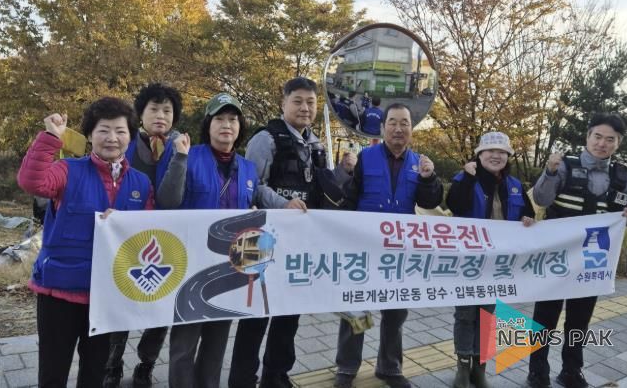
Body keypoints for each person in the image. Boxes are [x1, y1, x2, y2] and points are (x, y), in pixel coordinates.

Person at [17, 98, 153, 388]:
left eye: (120, 131)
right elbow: (31, 181)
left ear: (130, 136)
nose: (112, 138)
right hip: (59, 292)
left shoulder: (141, 184)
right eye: (103, 130)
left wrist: (127, 224)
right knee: (52, 373)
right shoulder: (67, 170)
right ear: (90, 135)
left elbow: (148, 234)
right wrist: (51, 137)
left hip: (107, 298)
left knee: (95, 374)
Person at [228, 77, 344, 388]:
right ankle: (242, 379)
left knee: (290, 312)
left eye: (311, 102)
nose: (305, 108)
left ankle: (276, 374)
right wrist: (283, 204)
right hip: (263, 237)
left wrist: (343, 174)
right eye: (298, 101)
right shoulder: (265, 139)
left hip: (300, 243)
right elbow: (252, 186)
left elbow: (323, 190)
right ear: (284, 103)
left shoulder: (317, 144)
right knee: (256, 313)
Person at [334, 103, 444, 388]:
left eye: (404, 123)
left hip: (399, 252)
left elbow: (430, 201)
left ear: (411, 129)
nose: (398, 128)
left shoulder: (419, 162)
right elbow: (348, 198)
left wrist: (429, 179)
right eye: (392, 122)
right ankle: (347, 367)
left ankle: (390, 367)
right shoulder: (364, 158)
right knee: (357, 307)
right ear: (382, 128)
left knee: (396, 311)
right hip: (364, 248)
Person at [526, 113, 627, 388]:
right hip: (556, 257)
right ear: (588, 136)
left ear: (617, 143)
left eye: (610, 139)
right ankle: (537, 370)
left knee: (580, 319)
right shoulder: (565, 165)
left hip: (593, 260)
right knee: (545, 316)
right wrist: (550, 172)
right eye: (597, 136)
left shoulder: (621, 174)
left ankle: (571, 370)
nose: (602, 143)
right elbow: (541, 198)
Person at [159, 92, 254, 388]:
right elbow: (167, 201)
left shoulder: (248, 167)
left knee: (217, 341)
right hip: (191, 265)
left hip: (229, 267)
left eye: (233, 119)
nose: (227, 125)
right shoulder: (189, 155)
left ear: (240, 127)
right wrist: (180, 158)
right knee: (184, 343)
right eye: (219, 119)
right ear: (208, 125)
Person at [104, 83, 185, 388]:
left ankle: (146, 363)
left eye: (167, 110)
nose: (161, 115)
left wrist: (180, 158)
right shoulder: (124, 143)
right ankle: (112, 364)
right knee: (120, 300)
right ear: (141, 113)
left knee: (161, 305)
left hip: (166, 240)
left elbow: (172, 200)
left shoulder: (181, 147)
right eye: (154, 109)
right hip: (125, 239)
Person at [446, 131, 535, 388]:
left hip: (498, 265)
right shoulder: (465, 178)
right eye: (490, 151)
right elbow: (454, 205)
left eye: (501, 152)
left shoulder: (514, 185)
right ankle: (463, 368)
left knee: (486, 315)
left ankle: (480, 369)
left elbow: (528, 214)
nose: (496, 156)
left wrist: (528, 220)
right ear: (480, 154)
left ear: (507, 157)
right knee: (465, 314)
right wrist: (467, 177)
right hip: (468, 262)